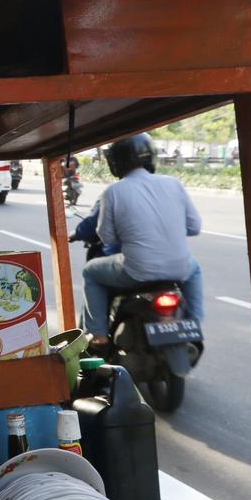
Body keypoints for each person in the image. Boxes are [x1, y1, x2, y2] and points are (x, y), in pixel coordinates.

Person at [81, 134, 203, 349]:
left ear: (116, 162)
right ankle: (194, 323)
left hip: (136, 271)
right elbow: (194, 227)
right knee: (195, 268)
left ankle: (99, 335)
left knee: (90, 272)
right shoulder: (173, 184)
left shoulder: (113, 192)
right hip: (179, 268)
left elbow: (107, 237)